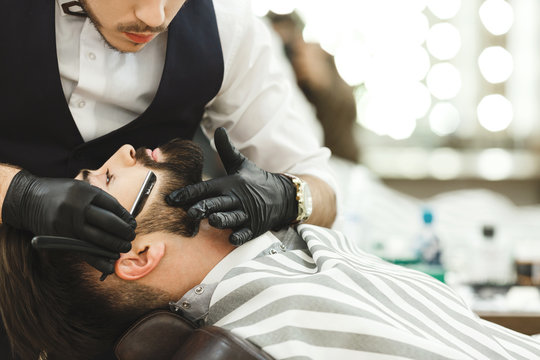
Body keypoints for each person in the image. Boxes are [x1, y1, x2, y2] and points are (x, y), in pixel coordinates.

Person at [1, 138, 539, 360]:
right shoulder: (272, 327)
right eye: (99, 182)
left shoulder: (290, 251)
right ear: (136, 255)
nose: (121, 151)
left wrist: (292, 194)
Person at [0, 0, 337, 275]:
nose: (155, 16)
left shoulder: (229, 32)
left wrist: (288, 197)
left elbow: (322, 193)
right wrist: (18, 196)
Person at [268, 12, 360, 163]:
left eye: (289, 46)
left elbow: (344, 111)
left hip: (337, 163)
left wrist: (322, 82)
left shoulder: (317, 64)